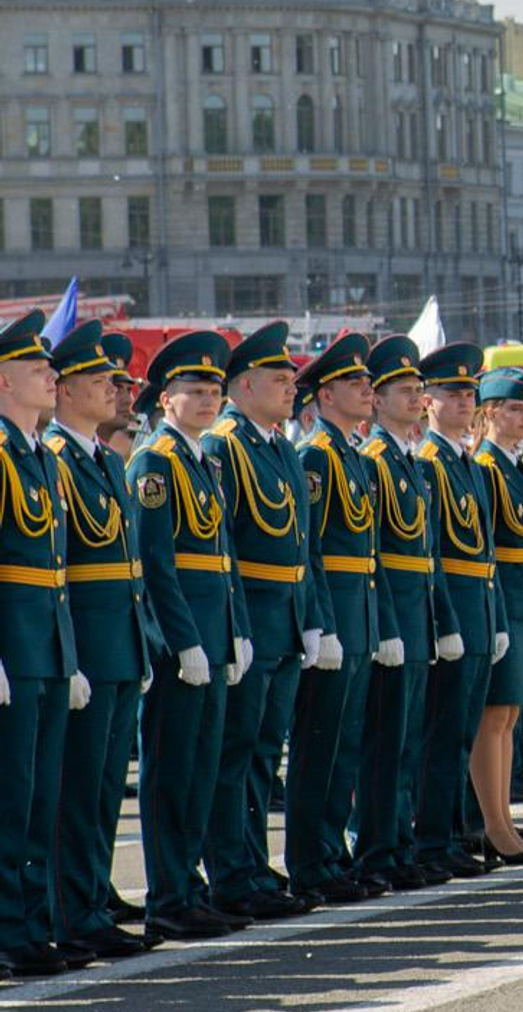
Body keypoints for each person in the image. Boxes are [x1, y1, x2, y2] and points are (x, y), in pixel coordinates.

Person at [130, 330, 251, 943]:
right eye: (194, 391)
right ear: (165, 399)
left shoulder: (206, 460)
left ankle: (190, 886)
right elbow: (156, 565)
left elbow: (224, 559)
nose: (208, 400)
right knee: (172, 772)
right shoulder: (156, 462)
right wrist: (184, 642)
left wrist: (237, 634)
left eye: (214, 391)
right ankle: (168, 895)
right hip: (183, 645)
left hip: (214, 635)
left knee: (202, 768)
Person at [45, 324, 153, 962]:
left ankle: (90, 900)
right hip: (81, 645)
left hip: (118, 644)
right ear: (65, 390)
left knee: (105, 787)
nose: (116, 391)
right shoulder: (57, 458)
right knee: (77, 791)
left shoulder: (102, 461)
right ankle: (74, 910)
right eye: (100, 382)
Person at [201, 321, 314, 922]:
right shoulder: (226, 446)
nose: (291, 387)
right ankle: (231, 870)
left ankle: (251, 863)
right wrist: (238, 627)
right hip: (253, 623)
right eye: (279, 378)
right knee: (237, 754)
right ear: (243, 386)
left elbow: (302, 546)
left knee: (265, 752)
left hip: (286, 621)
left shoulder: (276, 446)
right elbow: (227, 550)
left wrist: (312, 619)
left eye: (292, 378)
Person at [284, 332, 385, 904]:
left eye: (368, 382)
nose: (367, 390)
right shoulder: (316, 457)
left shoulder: (350, 453)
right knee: (318, 745)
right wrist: (320, 623)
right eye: (355, 382)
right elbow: (311, 550)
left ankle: (331, 853)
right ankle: (310, 858)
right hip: (334, 617)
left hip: (360, 612)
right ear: (323, 396)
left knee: (344, 744)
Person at [0, 312, 84, 978]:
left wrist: (71, 655)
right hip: (15, 649)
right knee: (9, 797)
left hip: (50, 646)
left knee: (38, 799)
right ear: (3, 382)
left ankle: (29, 923)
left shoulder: (36, 455)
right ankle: (7, 928)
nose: (50, 378)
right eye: (37, 370)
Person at [413, 343, 506, 880]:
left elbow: (483, 549)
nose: (465, 402)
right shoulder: (430, 462)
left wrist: (491, 619)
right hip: (452, 612)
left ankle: (451, 834)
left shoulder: (462, 460)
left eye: (470, 394)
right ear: (429, 402)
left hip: (478, 610)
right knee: (441, 734)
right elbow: (437, 554)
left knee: (462, 732)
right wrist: (446, 621)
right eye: (453, 394)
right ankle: (433, 837)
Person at [356, 337, 443, 888]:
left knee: (408, 739)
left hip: (417, 615)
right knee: (384, 743)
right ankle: (377, 848)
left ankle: (400, 843)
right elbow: (377, 555)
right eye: (404, 391)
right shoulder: (377, 461)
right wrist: (387, 625)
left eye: (418, 391)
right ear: (378, 398)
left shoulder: (407, 460)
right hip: (391, 617)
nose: (416, 399)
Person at [471, 370, 523, 866]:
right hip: (500, 599)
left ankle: (503, 817)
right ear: (491, 413)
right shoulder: (486, 465)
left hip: (522, 599)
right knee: (493, 716)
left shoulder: (516, 464)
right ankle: (493, 824)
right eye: (515, 409)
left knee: (510, 715)